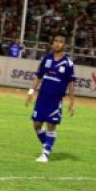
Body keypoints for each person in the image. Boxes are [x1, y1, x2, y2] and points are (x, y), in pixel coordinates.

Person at [24, 35, 76, 163]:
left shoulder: (68, 63)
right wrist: (31, 91)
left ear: (65, 45)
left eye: (61, 42)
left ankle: (45, 153)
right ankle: (46, 144)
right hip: (42, 98)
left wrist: (72, 102)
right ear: (52, 44)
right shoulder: (46, 59)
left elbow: (71, 83)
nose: (58, 44)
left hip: (55, 99)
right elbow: (38, 76)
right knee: (36, 124)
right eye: (56, 41)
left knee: (51, 125)